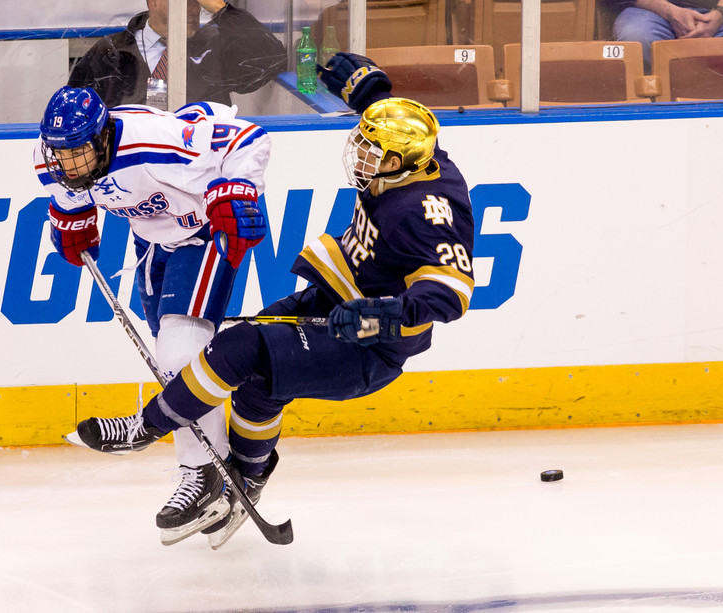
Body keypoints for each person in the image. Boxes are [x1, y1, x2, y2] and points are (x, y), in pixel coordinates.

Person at [66, 52, 476, 549]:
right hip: (337, 300)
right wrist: (372, 97)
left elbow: (452, 292)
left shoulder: (426, 211)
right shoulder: (417, 159)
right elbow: (407, 127)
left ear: (396, 164)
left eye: (371, 150)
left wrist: (382, 314)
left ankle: (145, 427)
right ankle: (247, 479)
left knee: (242, 347)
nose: (360, 153)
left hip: (370, 343)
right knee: (260, 373)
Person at [34, 86, 271, 545]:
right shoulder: (57, 161)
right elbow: (68, 194)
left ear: (103, 138)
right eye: (61, 154)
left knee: (179, 354)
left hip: (203, 232)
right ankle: (221, 467)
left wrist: (236, 193)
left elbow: (249, 138)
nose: (70, 165)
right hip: (153, 241)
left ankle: (201, 474)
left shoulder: (152, 144)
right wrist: (73, 217)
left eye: (80, 152)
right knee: (176, 364)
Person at [67, 0, 286, 110]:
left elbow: (272, 58)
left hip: (200, 167)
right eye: (187, 1)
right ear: (153, 2)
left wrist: (222, 10)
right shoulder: (110, 52)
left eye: (198, 2)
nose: (194, 10)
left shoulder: (214, 46)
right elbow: (76, 110)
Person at [609, 0, 723, 71]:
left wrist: (720, 15)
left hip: (721, 12)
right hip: (651, 10)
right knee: (636, 36)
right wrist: (670, 12)